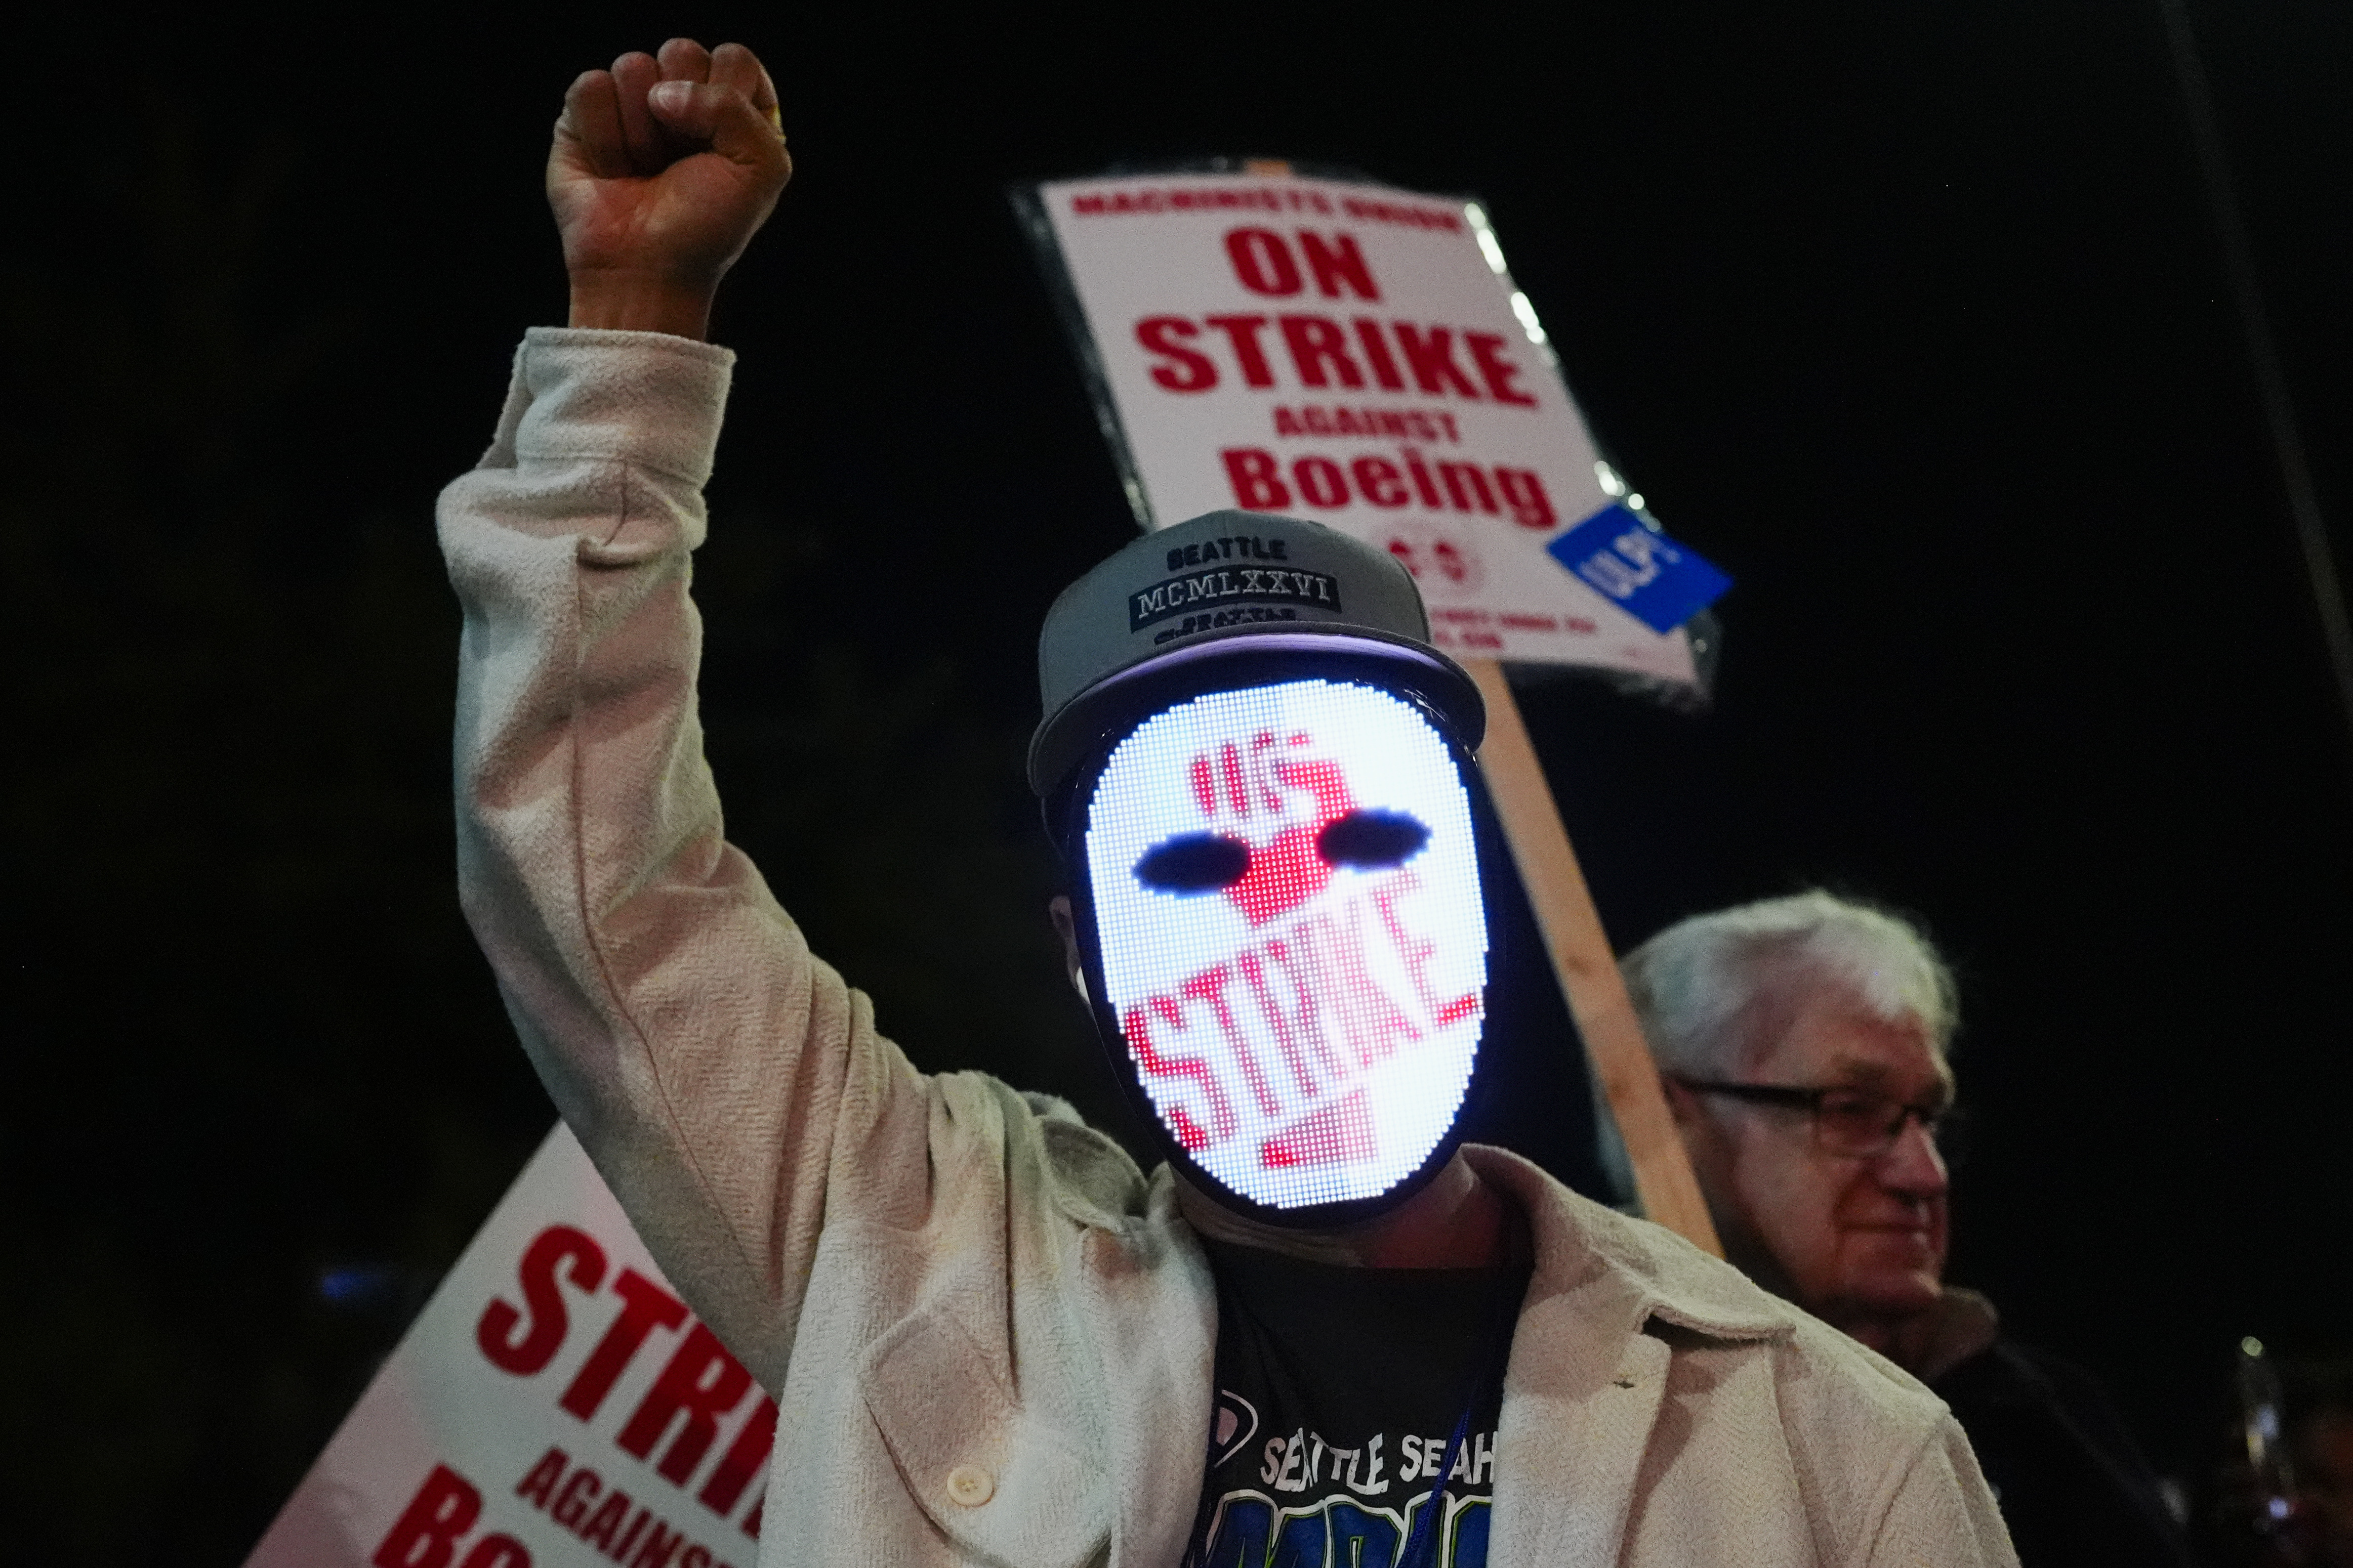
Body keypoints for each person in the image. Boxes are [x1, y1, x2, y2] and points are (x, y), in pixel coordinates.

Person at [439, 37, 2016, 1567]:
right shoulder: (921, 1251)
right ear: (1084, 948)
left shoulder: (1826, 1450)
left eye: (1370, 835)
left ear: (1471, 877)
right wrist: (635, 328)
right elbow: (597, 887)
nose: (1291, 909)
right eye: (1196, 857)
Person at [1625, 891, 2197, 1568]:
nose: (1923, 1175)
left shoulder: (2043, 1427)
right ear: (1668, 1119)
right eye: (1851, 1110)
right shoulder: (1577, 1409)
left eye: (1927, 1117)